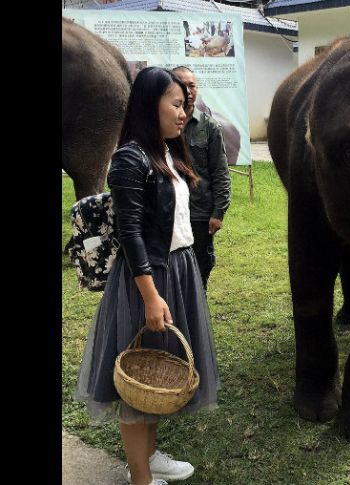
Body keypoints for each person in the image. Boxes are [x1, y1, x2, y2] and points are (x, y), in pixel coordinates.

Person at [74, 67, 220, 485]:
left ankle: (150, 457)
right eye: (175, 104)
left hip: (177, 269)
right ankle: (140, 476)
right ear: (148, 105)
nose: (183, 112)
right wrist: (151, 296)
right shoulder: (129, 158)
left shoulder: (167, 152)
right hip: (148, 280)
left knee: (158, 372)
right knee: (137, 375)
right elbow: (131, 233)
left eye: (184, 104)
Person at [172, 66, 231, 291]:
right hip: (170, 210)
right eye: (182, 84)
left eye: (192, 85)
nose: (188, 90)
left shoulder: (209, 126)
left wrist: (218, 212)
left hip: (199, 213)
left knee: (199, 269)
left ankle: (197, 313)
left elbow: (220, 172)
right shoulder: (161, 125)